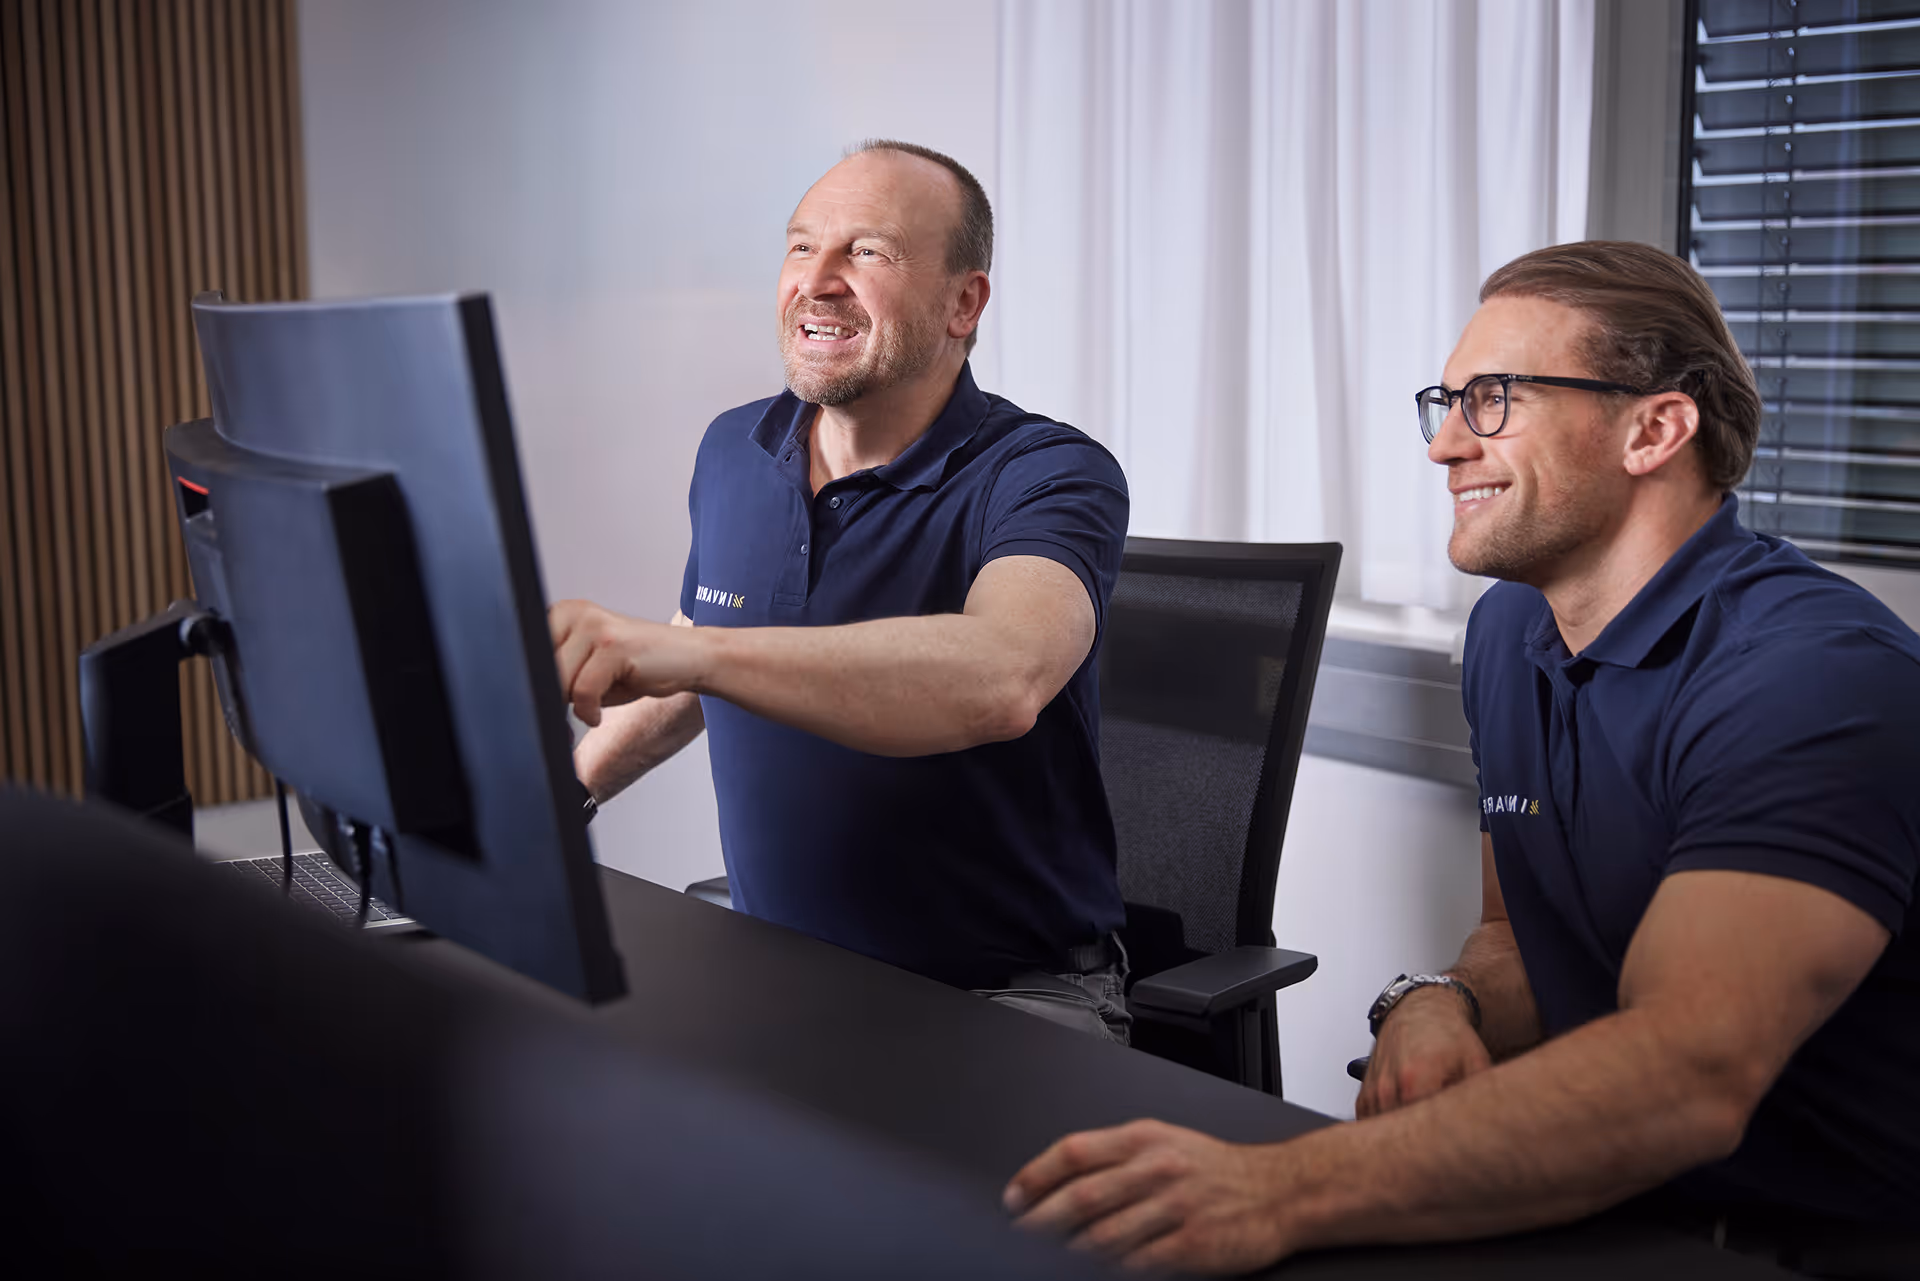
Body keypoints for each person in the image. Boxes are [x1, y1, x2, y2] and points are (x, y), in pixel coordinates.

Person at [1002, 241, 1920, 1274]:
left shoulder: (1812, 678)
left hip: (1803, 1242)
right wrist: (1443, 998)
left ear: (1654, 429)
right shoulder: (1508, 634)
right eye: (1447, 401)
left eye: (1495, 400)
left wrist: (1285, 1184)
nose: (1444, 447)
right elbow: (1517, 933)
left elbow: (1690, 1074)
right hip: (1592, 1191)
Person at [548, 140, 1133, 1043]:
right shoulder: (733, 449)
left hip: (1000, 999)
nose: (816, 280)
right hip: (778, 972)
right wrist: (552, 796)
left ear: (962, 302)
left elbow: (1002, 676)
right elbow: (698, 644)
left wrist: (693, 652)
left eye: (867, 252)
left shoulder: (1047, 473)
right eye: (799, 246)